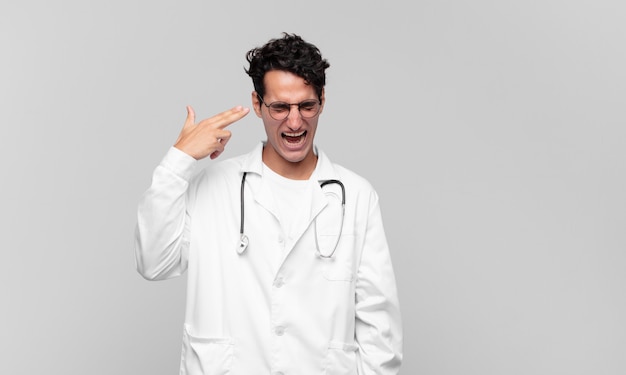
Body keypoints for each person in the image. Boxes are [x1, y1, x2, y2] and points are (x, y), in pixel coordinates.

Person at [135, 32, 402, 375]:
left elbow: (380, 328)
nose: (294, 122)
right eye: (280, 107)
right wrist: (179, 160)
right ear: (258, 104)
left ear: (322, 100)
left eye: (306, 106)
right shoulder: (213, 187)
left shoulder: (356, 196)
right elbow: (153, 262)